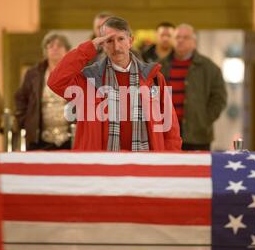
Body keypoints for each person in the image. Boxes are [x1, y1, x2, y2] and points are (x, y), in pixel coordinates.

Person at [48, 17, 182, 151]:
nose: (116, 47)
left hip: (145, 163)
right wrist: (88, 48)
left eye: (121, 39)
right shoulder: (89, 80)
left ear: (130, 41)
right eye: (109, 41)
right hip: (101, 165)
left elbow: (171, 129)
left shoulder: (154, 78)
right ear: (102, 45)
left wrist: (170, 162)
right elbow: (55, 81)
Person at [161, 24, 227, 151]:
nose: (180, 40)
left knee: (197, 170)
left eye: (185, 37)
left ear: (194, 42)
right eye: (177, 37)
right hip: (166, 134)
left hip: (198, 136)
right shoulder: (161, 66)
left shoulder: (209, 68)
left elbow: (219, 99)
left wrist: (204, 120)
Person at [14, 33, 73, 150]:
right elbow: (20, 98)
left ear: (67, 50)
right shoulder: (33, 74)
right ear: (45, 51)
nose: (55, 48)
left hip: (70, 138)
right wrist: (26, 122)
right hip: (39, 138)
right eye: (50, 46)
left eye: (59, 45)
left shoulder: (77, 72)